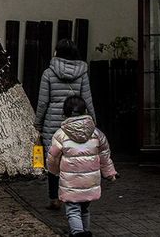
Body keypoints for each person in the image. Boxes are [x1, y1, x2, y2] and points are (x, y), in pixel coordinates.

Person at [35, 39, 95, 209]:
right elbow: (87, 100)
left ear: (57, 52)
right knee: (74, 160)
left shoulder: (48, 73)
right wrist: (93, 122)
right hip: (76, 123)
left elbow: (42, 102)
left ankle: (55, 199)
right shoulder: (82, 73)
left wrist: (37, 124)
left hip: (52, 125)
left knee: (54, 162)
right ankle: (73, 195)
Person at [46, 95, 116, 237]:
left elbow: (53, 158)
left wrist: (53, 172)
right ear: (85, 112)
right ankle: (85, 231)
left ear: (65, 114)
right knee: (84, 208)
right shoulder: (96, 133)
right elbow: (104, 154)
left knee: (72, 209)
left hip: (70, 181)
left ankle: (78, 233)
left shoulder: (60, 135)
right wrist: (109, 172)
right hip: (90, 180)